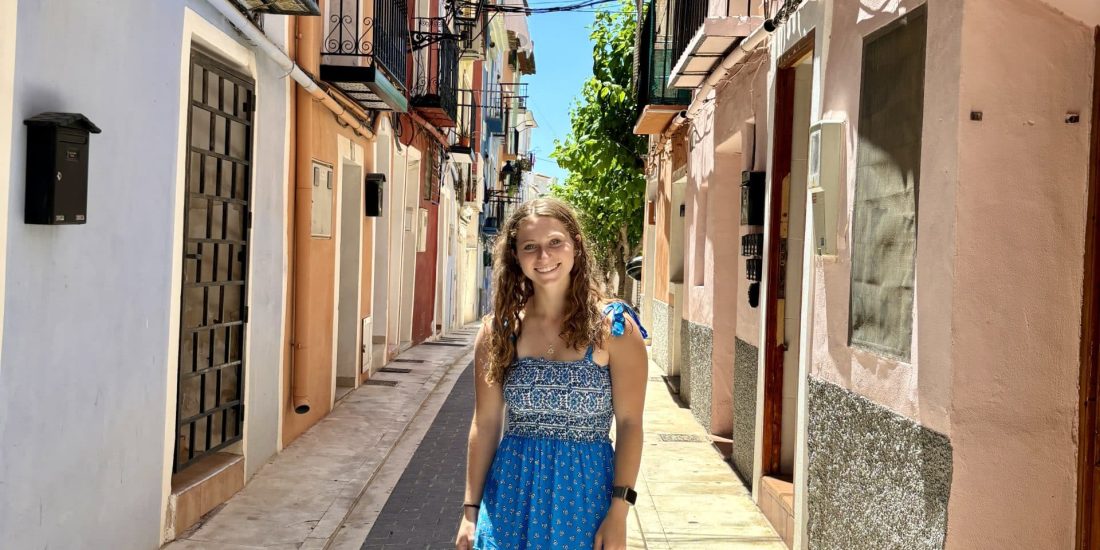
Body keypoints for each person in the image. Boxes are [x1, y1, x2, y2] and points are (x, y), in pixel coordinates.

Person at [454, 198, 649, 550]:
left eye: (555, 242)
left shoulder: (613, 328)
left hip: (585, 499)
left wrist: (619, 510)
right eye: (530, 247)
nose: (543, 256)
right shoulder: (500, 330)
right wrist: (470, 512)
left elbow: (631, 423)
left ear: (575, 244)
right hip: (509, 500)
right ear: (516, 256)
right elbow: (484, 423)